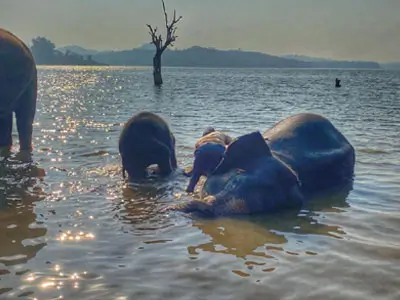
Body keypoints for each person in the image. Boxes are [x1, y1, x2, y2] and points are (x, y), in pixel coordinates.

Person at [185, 127, 233, 193]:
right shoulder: (220, 134)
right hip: (218, 149)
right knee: (219, 172)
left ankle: (189, 190)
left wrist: (194, 171)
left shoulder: (201, 139)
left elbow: (197, 155)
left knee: (196, 174)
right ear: (213, 131)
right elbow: (233, 143)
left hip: (202, 149)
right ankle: (218, 192)